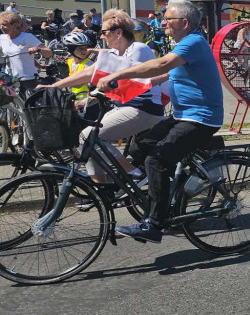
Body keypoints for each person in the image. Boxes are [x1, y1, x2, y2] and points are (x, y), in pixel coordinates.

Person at [98, 0, 223, 243]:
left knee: (156, 160)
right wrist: (118, 87)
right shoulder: (183, 45)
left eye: (168, 19)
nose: (163, 22)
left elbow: (161, 64)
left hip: (202, 118)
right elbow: (162, 75)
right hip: (182, 115)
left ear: (184, 23)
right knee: (139, 146)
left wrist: (118, 74)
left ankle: (155, 224)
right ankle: (162, 193)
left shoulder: (194, 42)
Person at [43, 10, 167, 184]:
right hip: (127, 107)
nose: (101, 36)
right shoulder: (116, 52)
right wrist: (53, 87)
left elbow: (121, 80)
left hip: (144, 108)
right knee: (89, 140)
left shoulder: (138, 49)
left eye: (104, 32)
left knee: (87, 137)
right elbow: (89, 72)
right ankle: (100, 187)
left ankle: (136, 174)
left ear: (118, 32)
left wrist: (92, 94)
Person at [0, 11, 52, 92]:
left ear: (15, 25)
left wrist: (38, 49)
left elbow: (49, 53)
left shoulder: (27, 37)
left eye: (4, 25)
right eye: (0, 25)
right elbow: (18, 56)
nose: (1, 27)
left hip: (27, 79)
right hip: (9, 80)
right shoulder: (2, 38)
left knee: (29, 100)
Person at [61, 32, 95, 99]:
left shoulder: (89, 64)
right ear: (71, 49)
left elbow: (78, 84)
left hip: (86, 99)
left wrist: (59, 82)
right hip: (72, 97)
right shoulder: (69, 61)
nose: (84, 51)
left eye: (85, 48)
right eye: (80, 48)